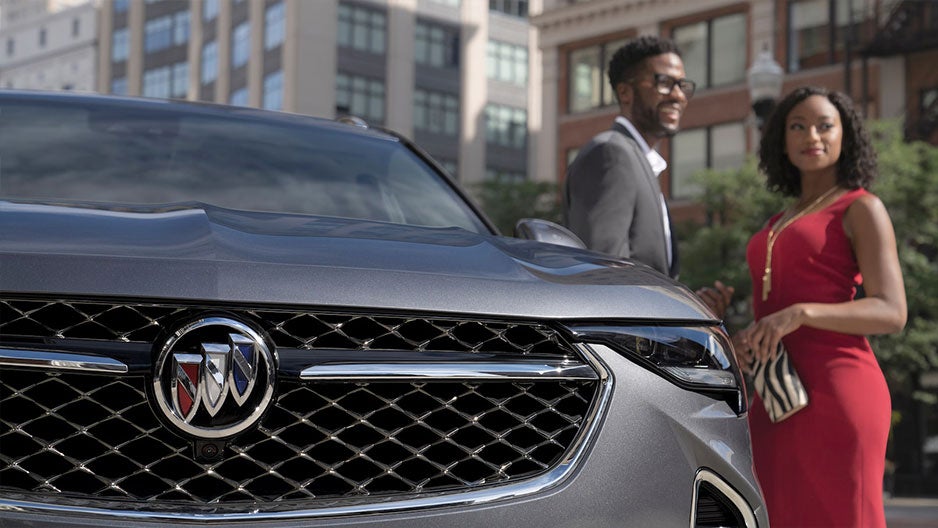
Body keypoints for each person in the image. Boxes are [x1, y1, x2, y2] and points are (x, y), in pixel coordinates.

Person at [730, 86, 907, 527]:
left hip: (840, 391)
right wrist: (747, 339)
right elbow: (772, 308)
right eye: (798, 126)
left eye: (825, 126)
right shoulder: (778, 221)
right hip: (776, 395)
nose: (812, 135)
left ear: (845, 136)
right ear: (782, 140)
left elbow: (891, 311)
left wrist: (802, 313)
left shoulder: (861, 208)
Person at [563, 35, 693, 279]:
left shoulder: (640, 162)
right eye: (665, 83)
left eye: (682, 85)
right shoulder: (610, 154)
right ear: (625, 92)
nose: (678, 96)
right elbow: (601, 270)